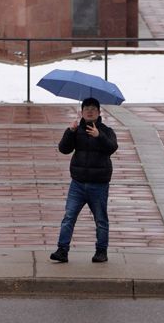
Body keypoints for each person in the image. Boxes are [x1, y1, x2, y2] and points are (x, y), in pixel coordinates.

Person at [49, 96, 118, 264]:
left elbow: (112, 147)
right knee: (69, 217)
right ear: (82, 112)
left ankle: (101, 251)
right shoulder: (77, 130)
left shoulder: (106, 131)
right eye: (86, 108)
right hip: (78, 184)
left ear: (99, 112)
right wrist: (69, 132)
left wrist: (98, 135)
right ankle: (62, 250)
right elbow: (63, 149)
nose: (89, 111)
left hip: (99, 185)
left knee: (101, 220)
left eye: (93, 109)